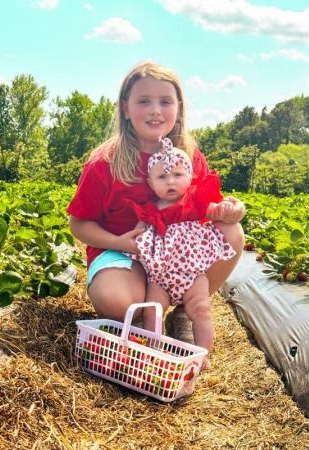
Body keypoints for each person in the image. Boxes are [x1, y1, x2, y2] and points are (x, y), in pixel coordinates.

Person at [67, 60, 246, 357]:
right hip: (123, 251)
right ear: (125, 108)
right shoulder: (105, 162)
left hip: (176, 251)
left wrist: (230, 211)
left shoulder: (187, 155)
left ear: (179, 108)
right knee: (118, 302)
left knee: (233, 233)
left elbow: (207, 207)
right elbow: (79, 224)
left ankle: (187, 310)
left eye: (165, 101)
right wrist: (120, 242)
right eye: (144, 101)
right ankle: (140, 316)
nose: (155, 110)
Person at [123, 136, 238, 368]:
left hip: (193, 275)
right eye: (162, 177)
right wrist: (133, 241)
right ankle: (154, 350)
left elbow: (218, 212)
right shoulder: (150, 210)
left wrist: (230, 209)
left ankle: (202, 355)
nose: (170, 182)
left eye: (177, 175)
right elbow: (139, 233)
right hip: (160, 277)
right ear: (150, 182)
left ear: (189, 176)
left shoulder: (196, 202)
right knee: (153, 311)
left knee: (202, 310)